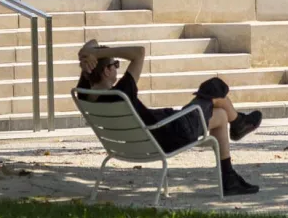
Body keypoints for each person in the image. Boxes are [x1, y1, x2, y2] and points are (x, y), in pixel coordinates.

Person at [75, 38, 263, 196]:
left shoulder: (84, 94)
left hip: (151, 138)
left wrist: (88, 55)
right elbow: (139, 52)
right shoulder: (121, 92)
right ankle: (238, 123)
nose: (117, 68)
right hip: (172, 133)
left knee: (221, 115)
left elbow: (92, 44)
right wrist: (95, 54)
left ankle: (229, 176)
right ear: (107, 71)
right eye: (115, 65)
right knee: (214, 88)